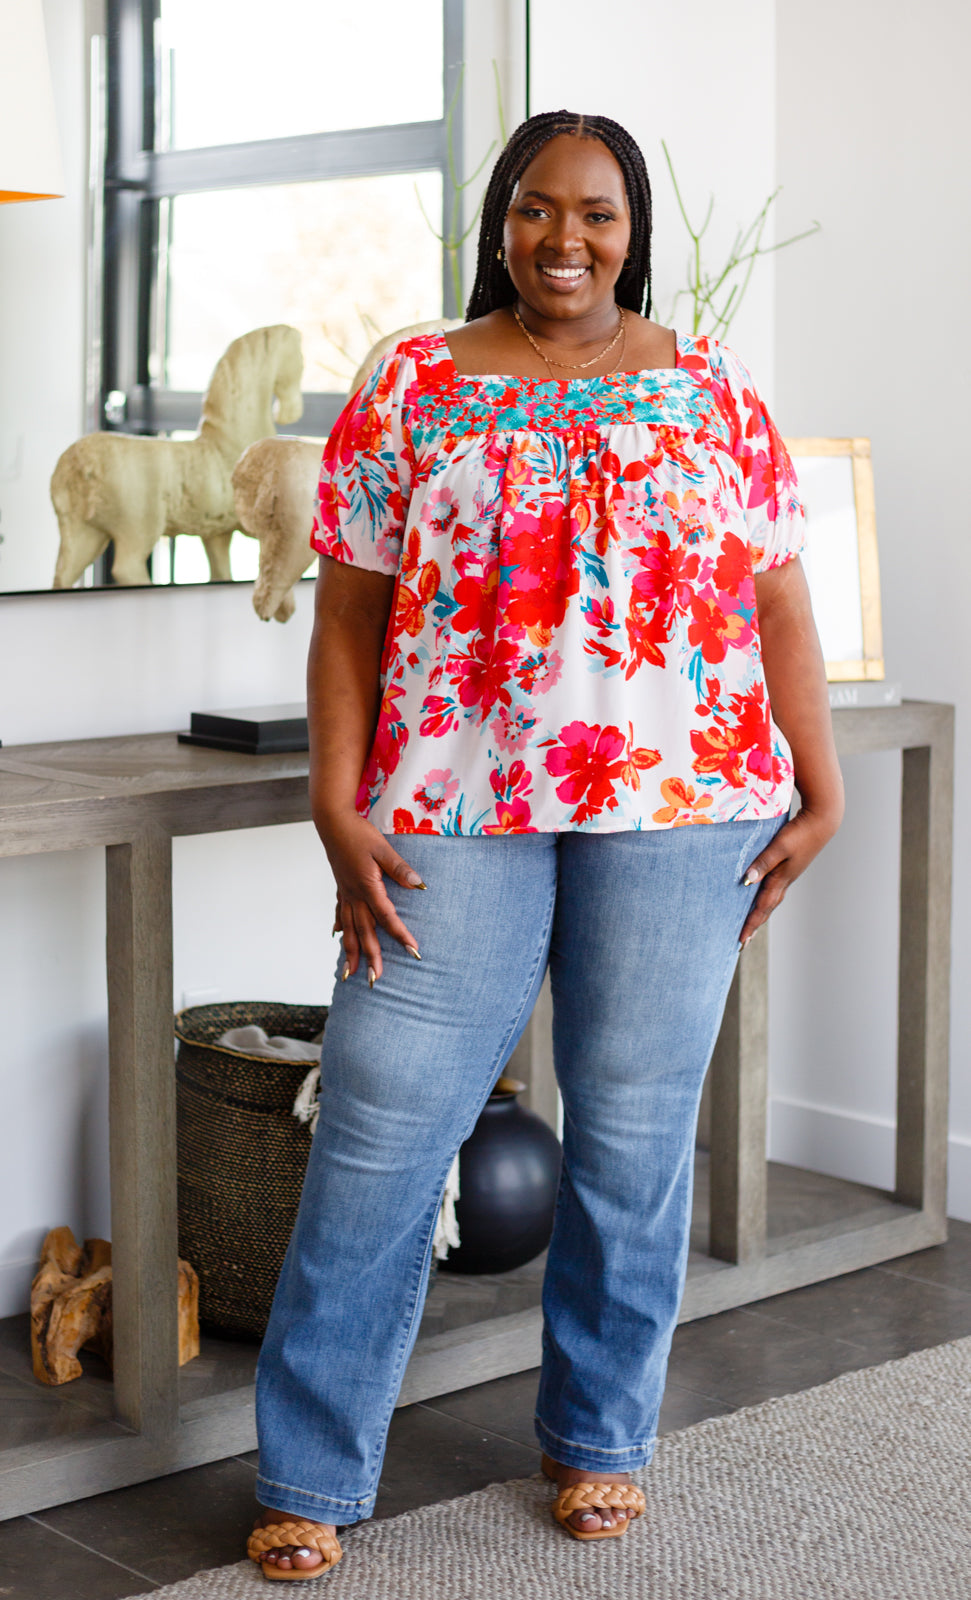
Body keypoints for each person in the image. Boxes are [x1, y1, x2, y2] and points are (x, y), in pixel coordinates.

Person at [246, 109, 844, 1580]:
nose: (562, 239)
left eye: (595, 213)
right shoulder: (411, 382)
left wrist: (818, 788)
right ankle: (313, 1471)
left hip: (688, 808)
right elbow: (348, 613)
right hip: (449, 806)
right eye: (533, 209)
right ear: (501, 220)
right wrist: (338, 803)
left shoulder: (707, 389)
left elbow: (773, 598)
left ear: (633, 229)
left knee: (633, 1144)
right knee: (380, 1129)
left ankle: (597, 1444)